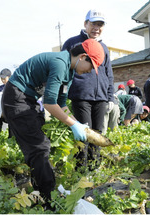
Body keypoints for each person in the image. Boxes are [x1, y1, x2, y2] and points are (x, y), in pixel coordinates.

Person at [1, 39, 105, 201]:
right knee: (40, 146)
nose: (90, 71)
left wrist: (77, 124)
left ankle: (40, 191)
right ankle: (49, 197)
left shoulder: (69, 73)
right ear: (83, 57)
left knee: (38, 146)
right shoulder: (60, 64)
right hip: (16, 97)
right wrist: (73, 125)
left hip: (29, 99)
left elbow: (61, 104)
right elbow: (50, 104)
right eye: (91, 66)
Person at [61, 9, 114, 170]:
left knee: (97, 133)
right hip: (81, 95)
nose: (96, 28)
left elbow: (108, 73)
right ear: (85, 24)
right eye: (93, 24)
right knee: (84, 132)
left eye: (100, 25)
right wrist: (64, 92)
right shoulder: (73, 43)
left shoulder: (103, 47)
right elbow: (63, 68)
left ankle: (94, 168)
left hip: (101, 98)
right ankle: (80, 169)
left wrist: (110, 97)